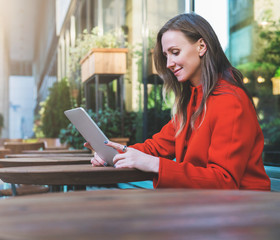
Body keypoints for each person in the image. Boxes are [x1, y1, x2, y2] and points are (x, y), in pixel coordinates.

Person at [85, 13, 270, 190]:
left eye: (175, 52)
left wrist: (154, 164)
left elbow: (224, 181)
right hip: (203, 206)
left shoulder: (230, 101)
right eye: (166, 55)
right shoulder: (191, 99)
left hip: (242, 211)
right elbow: (157, 146)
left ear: (201, 46)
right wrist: (115, 153)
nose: (168, 64)